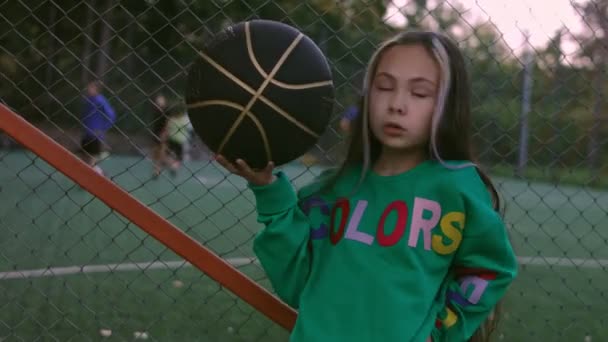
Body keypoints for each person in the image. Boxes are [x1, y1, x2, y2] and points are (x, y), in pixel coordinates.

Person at [216, 31, 518, 342]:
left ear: (447, 105)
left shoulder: (457, 189)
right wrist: (269, 192)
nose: (397, 104)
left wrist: (438, 333)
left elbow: (490, 270)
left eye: (420, 93)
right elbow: (297, 285)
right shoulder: (328, 193)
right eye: (384, 87)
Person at [80, 81, 116, 176]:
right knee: (84, 157)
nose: (88, 89)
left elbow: (111, 115)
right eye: (88, 87)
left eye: (91, 87)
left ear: (96, 89)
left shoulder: (100, 100)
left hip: (95, 134)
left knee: (91, 158)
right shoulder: (88, 100)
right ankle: (99, 172)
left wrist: (102, 129)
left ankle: (96, 175)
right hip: (86, 133)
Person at [162, 103, 193, 177]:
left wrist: (165, 137)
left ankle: (171, 165)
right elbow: (190, 129)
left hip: (172, 139)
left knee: (169, 154)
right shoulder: (185, 120)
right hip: (181, 141)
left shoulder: (171, 120)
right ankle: (174, 166)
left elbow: (167, 129)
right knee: (180, 157)